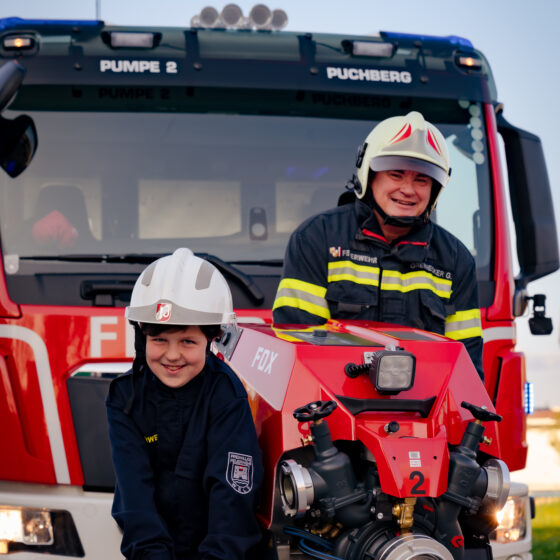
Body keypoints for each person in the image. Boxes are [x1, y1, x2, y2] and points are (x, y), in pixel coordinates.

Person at [273, 111, 484, 380]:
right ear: (369, 175)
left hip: (423, 412)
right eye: (396, 174)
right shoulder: (317, 238)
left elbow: (466, 366)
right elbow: (296, 346)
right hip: (331, 406)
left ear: (435, 189)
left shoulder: (454, 260)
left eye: (422, 179)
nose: (408, 189)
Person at [106, 248, 263, 560]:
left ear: (213, 337)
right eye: (159, 340)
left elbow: (232, 498)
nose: (172, 355)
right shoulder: (126, 397)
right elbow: (134, 497)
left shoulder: (226, 395)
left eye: (188, 342)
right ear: (141, 336)